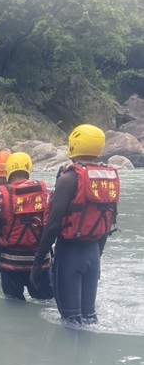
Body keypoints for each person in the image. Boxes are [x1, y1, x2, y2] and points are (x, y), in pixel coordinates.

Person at [30, 124, 119, 325]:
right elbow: (107, 220)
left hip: (70, 254)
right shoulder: (108, 178)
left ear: (73, 146)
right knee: (89, 318)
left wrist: (38, 260)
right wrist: (98, 257)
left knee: (70, 320)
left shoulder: (68, 178)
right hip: (93, 253)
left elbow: (52, 225)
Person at [0, 152, 54, 301]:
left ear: (8, 172)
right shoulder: (46, 195)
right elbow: (55, 226)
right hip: (40, 264)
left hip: (10, 266)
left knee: (14, 307)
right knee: (46, 303)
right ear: (28, 170)